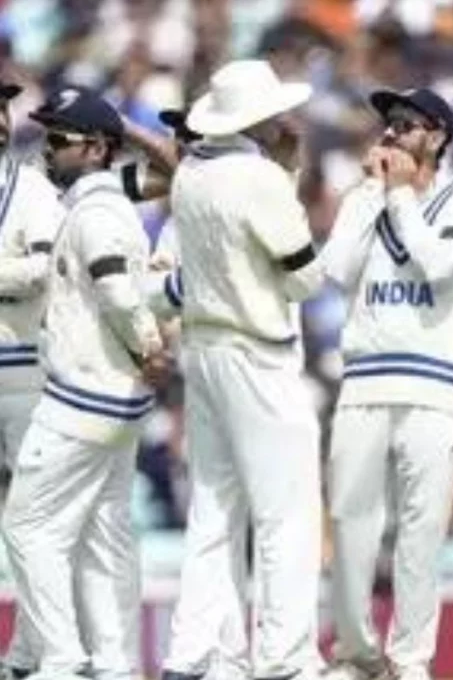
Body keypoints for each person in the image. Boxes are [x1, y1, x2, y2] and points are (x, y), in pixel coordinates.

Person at [159, 59, 323, 680]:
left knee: (213, 508)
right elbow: (305, 279)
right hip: (257, 354)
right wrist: (288, 174)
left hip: (203, 350)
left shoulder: (190, 174)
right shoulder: (260, 178)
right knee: (287, 514)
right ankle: (283, 659)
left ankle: (198, 654)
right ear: (259, 119)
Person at [319, 86, 453, 680]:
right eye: (388, 122)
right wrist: (373, 194)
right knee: (350, 521)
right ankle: (355, 654)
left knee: (421, 530)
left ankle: (411, 658)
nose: (391, 132)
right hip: (365, 378)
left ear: (437, 137)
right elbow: (336, 270)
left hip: (433, 383)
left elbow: (439, 266)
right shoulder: (365, 198)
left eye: (407, 124)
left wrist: (397, 195)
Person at [2, 85, 169, 680]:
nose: (47, 147)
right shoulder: (84, 195)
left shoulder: (89, 203)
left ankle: (59, 657)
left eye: (60, 138)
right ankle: (113, 663)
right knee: (103, 530)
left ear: (96, 148)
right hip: (106, 392)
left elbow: (118, 287)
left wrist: (149, 343)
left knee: (30, 526)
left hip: (74, 391)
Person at [0, 80, 65, 680]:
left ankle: (36, 650)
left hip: (21, 368)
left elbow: (43, 269)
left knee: (32, 519)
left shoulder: (34, 189)